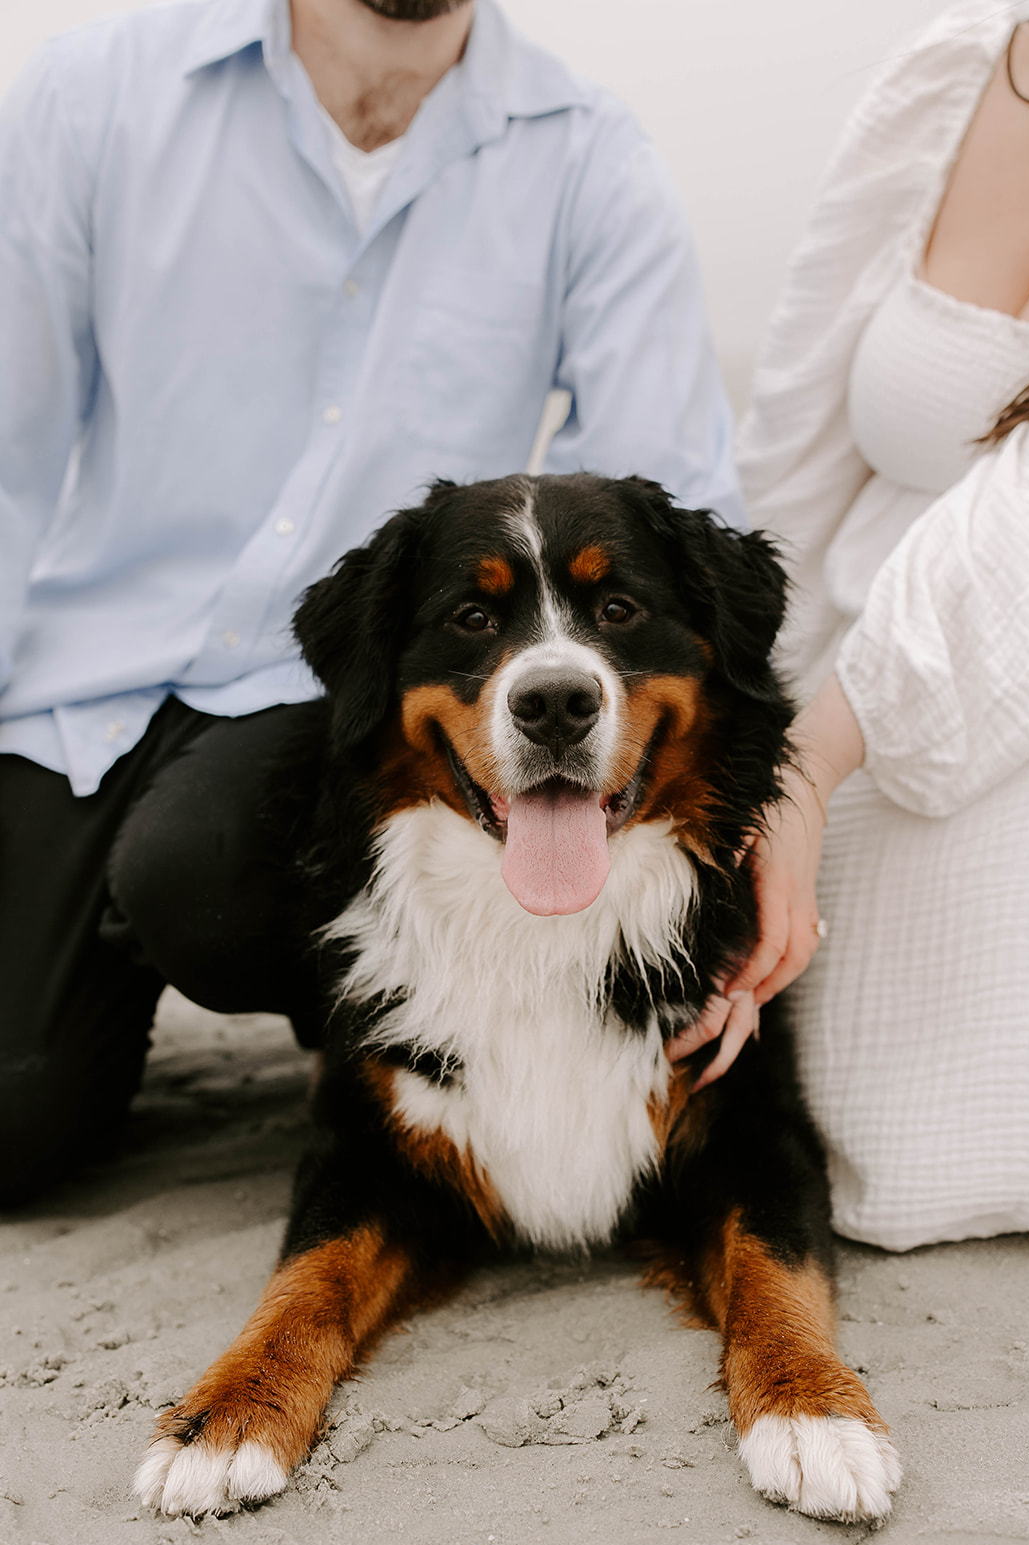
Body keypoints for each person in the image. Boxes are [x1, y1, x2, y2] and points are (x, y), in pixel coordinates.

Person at [0, 0, 743, 1203]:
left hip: (312, 703)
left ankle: (373, 1037)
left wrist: (770, 824)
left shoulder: (585, 155)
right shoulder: (93, 94)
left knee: (203, 864)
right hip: (73, 677)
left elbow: (666, 521)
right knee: (12, 1126)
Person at [686, 0, 1029, 1252]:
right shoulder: (957, 73)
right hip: (848, 651)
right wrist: (733, 703)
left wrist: (814, 755)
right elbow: (798, 430)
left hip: (1020, 665)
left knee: (906, 1118)